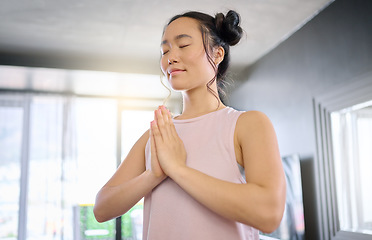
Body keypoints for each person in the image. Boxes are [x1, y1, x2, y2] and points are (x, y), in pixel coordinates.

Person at [94, 10, 286, 240]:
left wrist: (177, 169)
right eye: (165, 51)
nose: (170, 57)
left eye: (183, 45)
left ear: (217, 54)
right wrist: (153, 175)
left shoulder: (248, 124)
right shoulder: (157, 134)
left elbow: (268, 213)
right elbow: (102, 208)